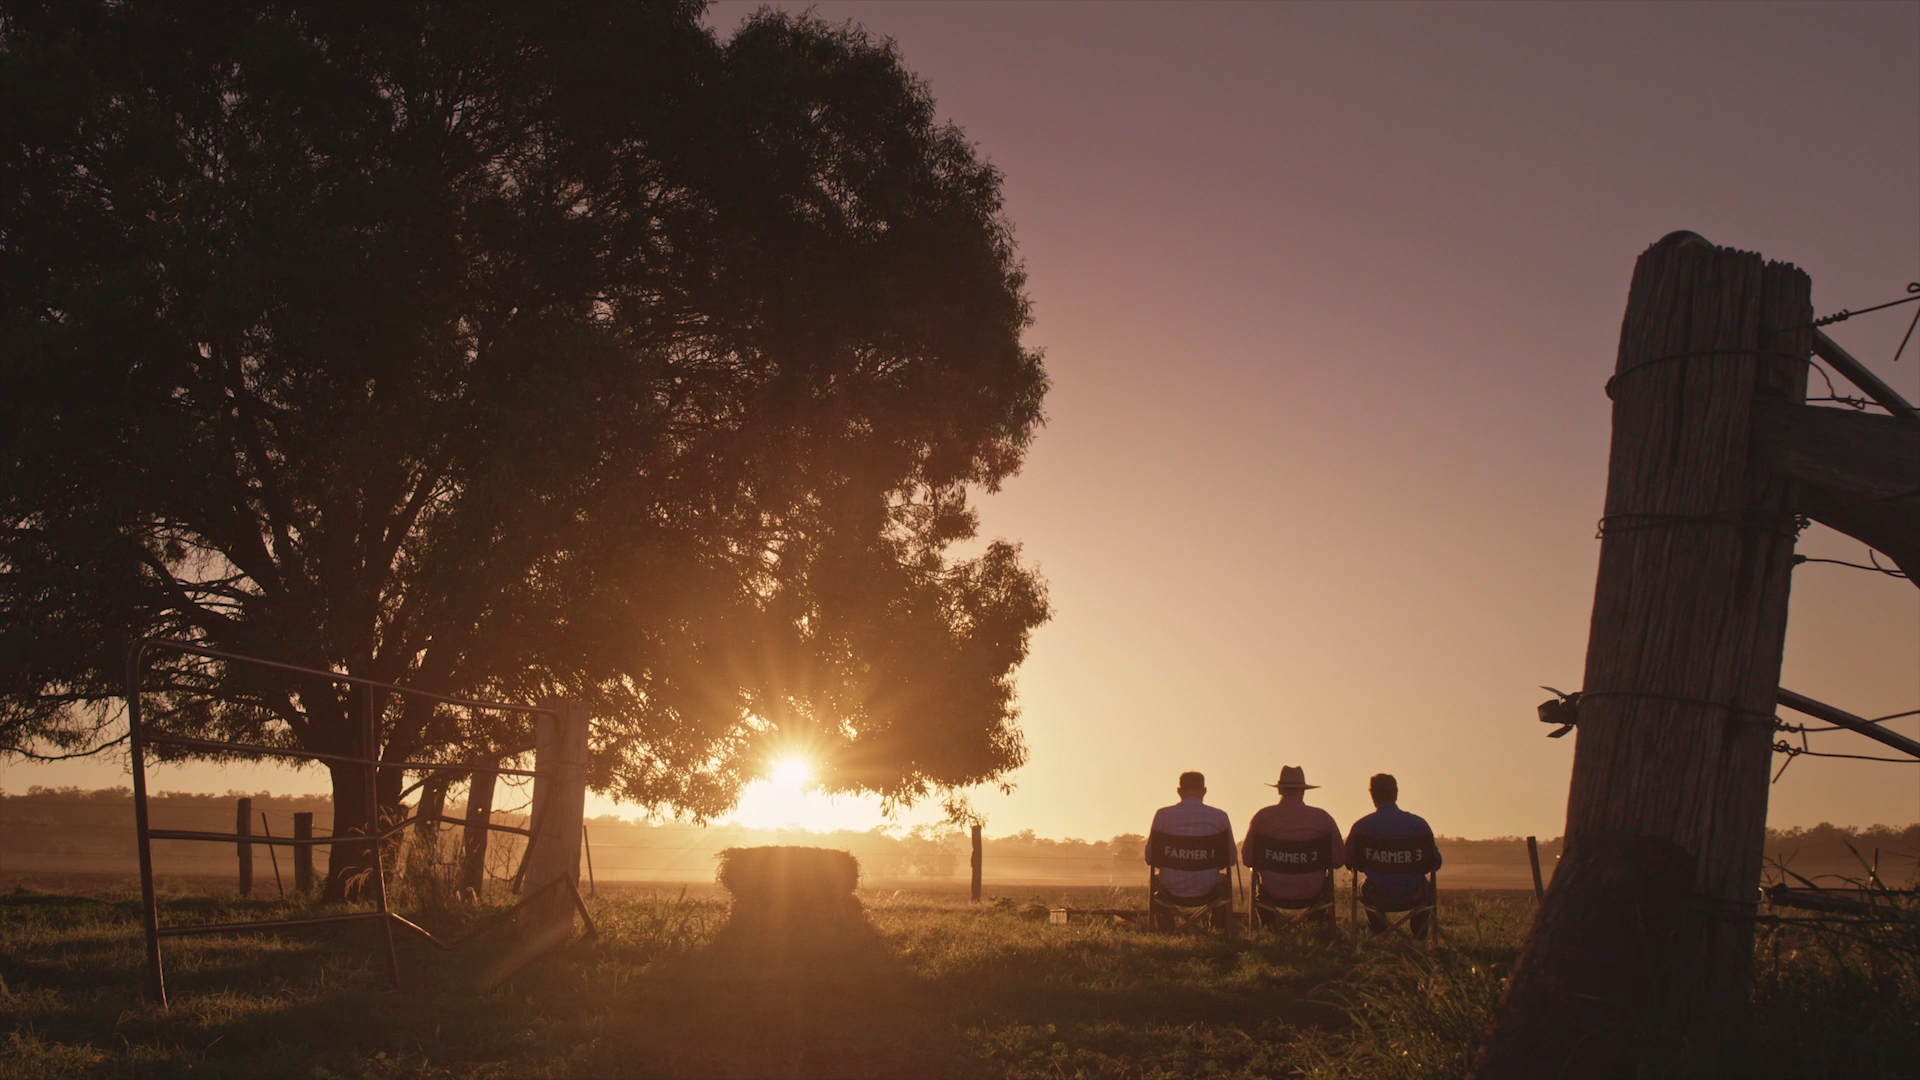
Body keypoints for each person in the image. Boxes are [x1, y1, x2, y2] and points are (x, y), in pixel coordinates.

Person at [1242, 765, 1344, 928]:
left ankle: (1270, 927)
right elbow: (1338, 860)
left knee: (1258, 885)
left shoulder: (1262, 818)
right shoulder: (1323, 819)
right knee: (1325, 884)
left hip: (1272, 891)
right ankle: (1316, 926)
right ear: (1303, 790)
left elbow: (1247, 859)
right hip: (1312, 891)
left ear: (1279, 790)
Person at [1345, 773, 1441, 939]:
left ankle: (1378, 930)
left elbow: (1349, 861)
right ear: (1396, 793)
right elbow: (1434, 863)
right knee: (1425, 886)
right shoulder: (1419, 826)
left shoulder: (1362, 827)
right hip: (1414, 894)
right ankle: (1420, 935)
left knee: (1363, 886)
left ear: (1372, 795)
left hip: (1378, 895)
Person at [1144, 770, 1237, 930]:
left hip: (1170, 888)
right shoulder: (1220, 817)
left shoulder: (1162, 816)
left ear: (1179, 791)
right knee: (1223, 883)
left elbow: (1150, 858)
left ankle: (1166, 930)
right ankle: (1219, 929)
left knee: (1157, 882)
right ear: (1204, 791)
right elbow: (1231, 859)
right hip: (1209, 888)